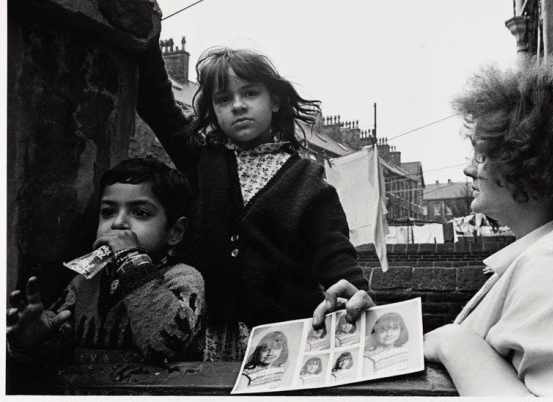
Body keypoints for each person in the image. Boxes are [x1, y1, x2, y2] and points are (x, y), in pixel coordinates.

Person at [312, 52, 553, 396]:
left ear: (532, 168)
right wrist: (378, 327)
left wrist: (453, 341)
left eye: (482, 154)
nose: (469, 169)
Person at [136, 29, 368, 360]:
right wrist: (147, 32)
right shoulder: (201, 159)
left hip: (283, 342)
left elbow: (335, 253)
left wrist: (357, 291)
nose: (238, 106)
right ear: (213, 110)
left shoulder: (308, 179)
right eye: (223, 99)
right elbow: (157, 103)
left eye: (250, 93)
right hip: (205, 341)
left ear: (274, 100)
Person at [6, 157, 205, 366]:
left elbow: (165, 346)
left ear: (175, 231)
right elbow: (56, 359)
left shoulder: (183, 278)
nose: (118, 223)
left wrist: (130, 256)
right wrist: (33, 342)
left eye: (140, 212)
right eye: (108, 212)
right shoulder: (84, 283)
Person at [362, 312, 409, 376]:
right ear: (375, 332)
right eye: (383, 329)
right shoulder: (369, 357)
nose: (389, 334)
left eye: (394, 328)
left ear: (401, 330)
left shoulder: (404, 351)